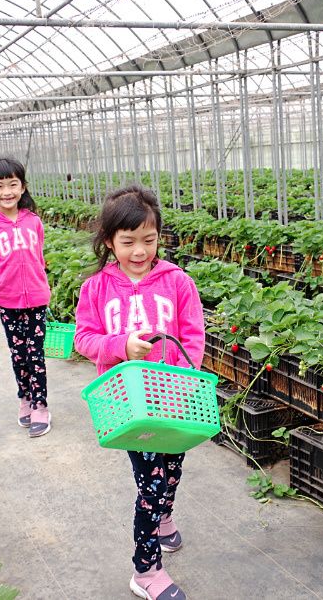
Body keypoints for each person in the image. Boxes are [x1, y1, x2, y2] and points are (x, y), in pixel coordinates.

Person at [74, 185, 204, 600]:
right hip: (126, 403)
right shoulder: (96, 288)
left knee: (173, 468)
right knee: (150, 484)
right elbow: (84, 339)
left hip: (173, 396)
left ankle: (164, 520)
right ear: (109, 241)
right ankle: (146, 571)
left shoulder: (178, 282)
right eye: (128, 242)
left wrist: (184, 378)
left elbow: (193, 336)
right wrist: (120, 346)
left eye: (148, 240)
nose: (138, 251)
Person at [0, 157, 53, 437]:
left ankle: (41, 405)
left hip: (37, 300)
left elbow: (39, 258)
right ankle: (25, 399)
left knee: (36, 354)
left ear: (22, 187)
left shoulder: (33, 221)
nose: (7, 191)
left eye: (12, 184)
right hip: (7, 303)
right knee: (19, 355)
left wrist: (44, 286)